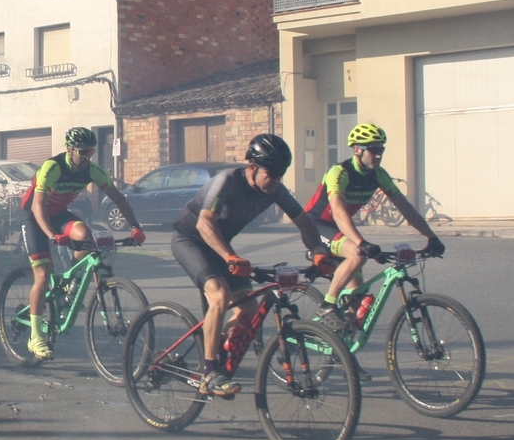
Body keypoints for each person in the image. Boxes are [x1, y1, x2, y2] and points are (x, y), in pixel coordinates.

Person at [172, 134, 335, 395]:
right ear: (252, 167)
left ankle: (216, 341)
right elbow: (204, 222)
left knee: (249, 308)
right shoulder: (227, 181)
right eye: (271, 174)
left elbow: (304, 222)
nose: (276, 180)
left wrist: (317, 252)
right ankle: (209, 373)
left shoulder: (275, 189)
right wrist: (229, 256)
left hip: (221, 246)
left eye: (281, 175)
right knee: (219, 295)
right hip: (190, 240)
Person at [303, 123, 444, 351]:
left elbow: (405, 207)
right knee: (358, 254)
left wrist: (432, 237)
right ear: (357, 150)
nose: (379, 155)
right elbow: (338, 212)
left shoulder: (379, 175)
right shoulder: (339, 172)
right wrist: (362, 243)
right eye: (374, 150)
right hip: (315, 226)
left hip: (339, 230)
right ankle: (327, 305)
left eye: (381, 149)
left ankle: (342, 354)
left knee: (356, 300)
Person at [17, 128, 145, 361]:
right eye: (83, 152)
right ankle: (35, 337)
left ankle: (70, 282)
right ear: (70, 149)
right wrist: (52, 235)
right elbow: (38, 205)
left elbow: (118, 197)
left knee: (86, 235)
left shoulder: (92, 170)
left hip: (58, 214)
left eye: (91, 152)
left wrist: (135, 226)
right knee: (43, 275)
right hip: (34, 216)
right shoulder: (52, 167)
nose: (87, 157)